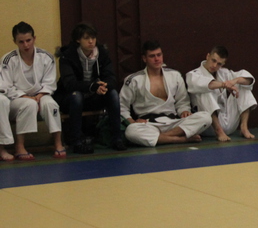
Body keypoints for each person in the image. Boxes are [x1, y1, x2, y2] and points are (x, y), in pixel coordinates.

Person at [120, 41, 212, 146]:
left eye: (159, 55)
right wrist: (132, 121)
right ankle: (181, 139)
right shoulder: (134, 80)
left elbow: (182, 102)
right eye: (152, 56)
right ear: (144, 58)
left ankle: (164, 138)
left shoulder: (174, 75)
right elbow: (122, 107)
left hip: (174, 123)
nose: (157, 59)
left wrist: (184, 111)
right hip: (149, 124)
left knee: (205, 117)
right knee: (131, 131)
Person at [55, 22, 125, 154]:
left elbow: (111, 77)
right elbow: (69, 83)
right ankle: (76, 141)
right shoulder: (67, 56)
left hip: (94, 96)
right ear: (78, 40)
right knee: (77, 96)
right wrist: (92, 87)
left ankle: (117, 138)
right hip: (70, 99)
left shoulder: (102, 53)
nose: (91, 41)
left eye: (93, 37)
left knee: (113, 94)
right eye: (86, 38)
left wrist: (105, 85)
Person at [0, 22, 65, 160]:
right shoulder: (8, 59)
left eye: (28, 40)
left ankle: (58, 143)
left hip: (41, 94)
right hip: (17, 99)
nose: (26, 45)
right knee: (28, 104)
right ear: (15, 41)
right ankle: (19, 146)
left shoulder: (46, 57)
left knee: (51, 105)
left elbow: (50, 83)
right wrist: (25, 96)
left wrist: (39, 95)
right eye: (21, 42)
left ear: (34, 38)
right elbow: (5, 86)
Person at [186, 45, 257, 142]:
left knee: (242, 85)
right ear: (207, 56)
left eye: (219, 64)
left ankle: (244, 127)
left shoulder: (224, 73)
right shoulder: (193, 74)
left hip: (228, 122)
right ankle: (219, 131)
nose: (215, 65)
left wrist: (235, 81)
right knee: (205, 90)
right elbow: (207, 84)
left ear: (223, 64)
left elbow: (249, 80)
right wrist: (225, 85)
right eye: (213, 60)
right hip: (207, 126)